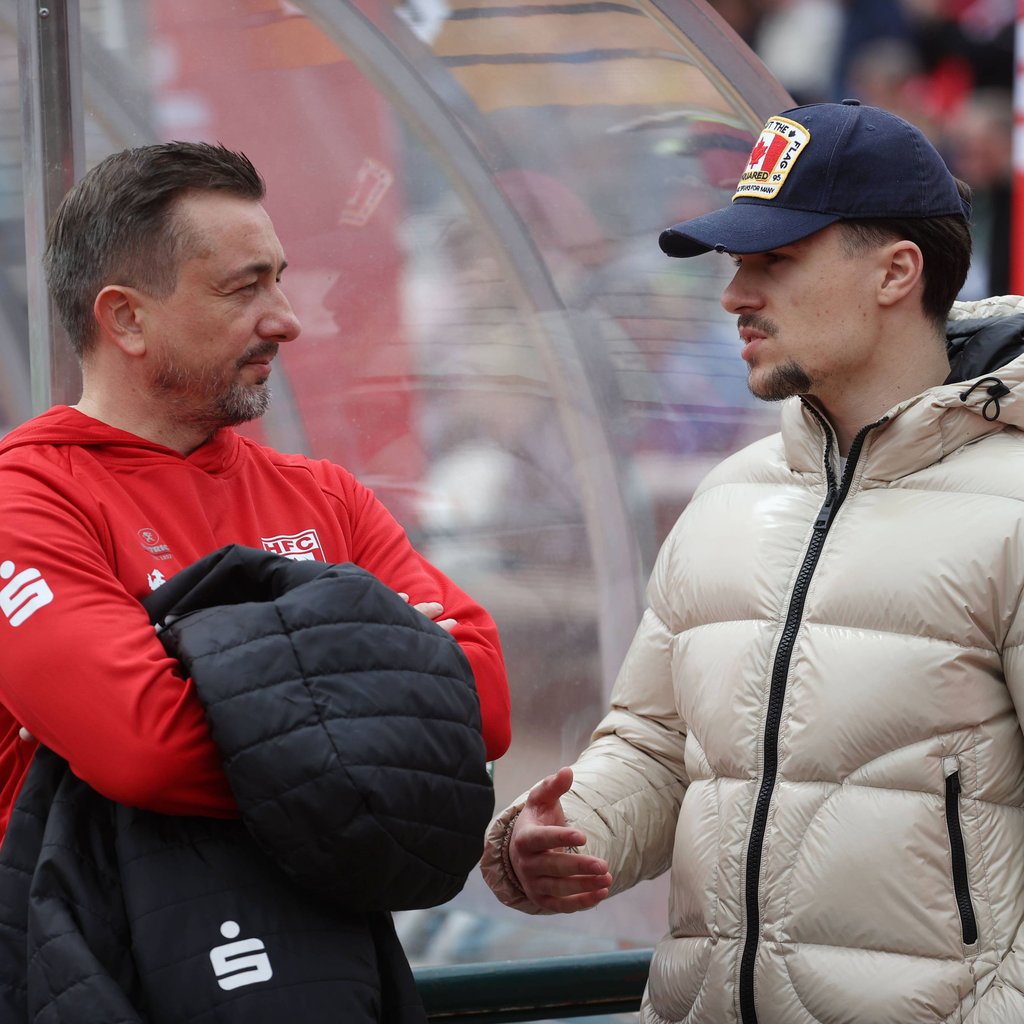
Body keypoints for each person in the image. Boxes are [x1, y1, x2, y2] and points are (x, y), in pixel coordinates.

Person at [481, 99, 1024, 1022]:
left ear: (897, 272)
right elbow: (655, 746)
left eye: (774, 262)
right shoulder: (730, 494)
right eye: (737, 266)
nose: (735, 296)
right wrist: (565, 833)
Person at [0, 142, 511, 1016]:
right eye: (245, 288)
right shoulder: (30, 498)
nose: (286, 318)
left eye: (279, 280)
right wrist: (363, 708)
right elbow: (146, 747)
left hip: (318, 975)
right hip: (95, 978)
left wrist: (223, 679)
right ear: (125, 319)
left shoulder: (325, 496)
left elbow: (478, 704)